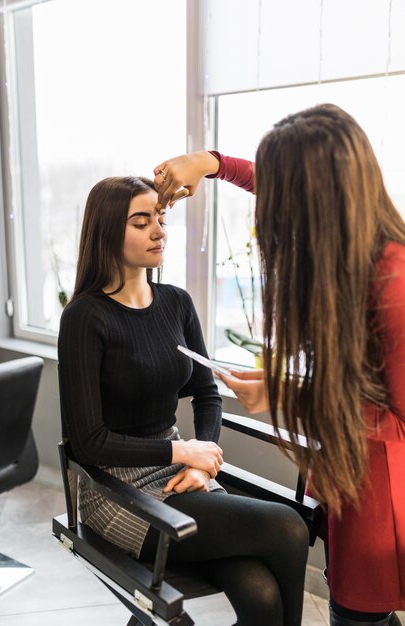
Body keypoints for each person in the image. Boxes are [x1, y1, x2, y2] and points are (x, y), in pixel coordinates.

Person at [153, 103, 405, 626]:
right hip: (354, 479)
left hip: (387, 500)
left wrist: (288, 395)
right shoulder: (355, 257)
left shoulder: (394, 287)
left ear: (314, 199)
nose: (270, 213)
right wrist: (211, 162)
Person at [57, 175, 309, 626]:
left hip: (182, 475)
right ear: (107, 232)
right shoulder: (84, 317)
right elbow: (89, 442)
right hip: (114, 489)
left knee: (261, 595)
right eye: (141, 222)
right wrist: (182, 450)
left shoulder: (176, 303)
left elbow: (208, 393)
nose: (159, 231)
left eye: (160, 218)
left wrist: (201, 462)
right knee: (288, 526)